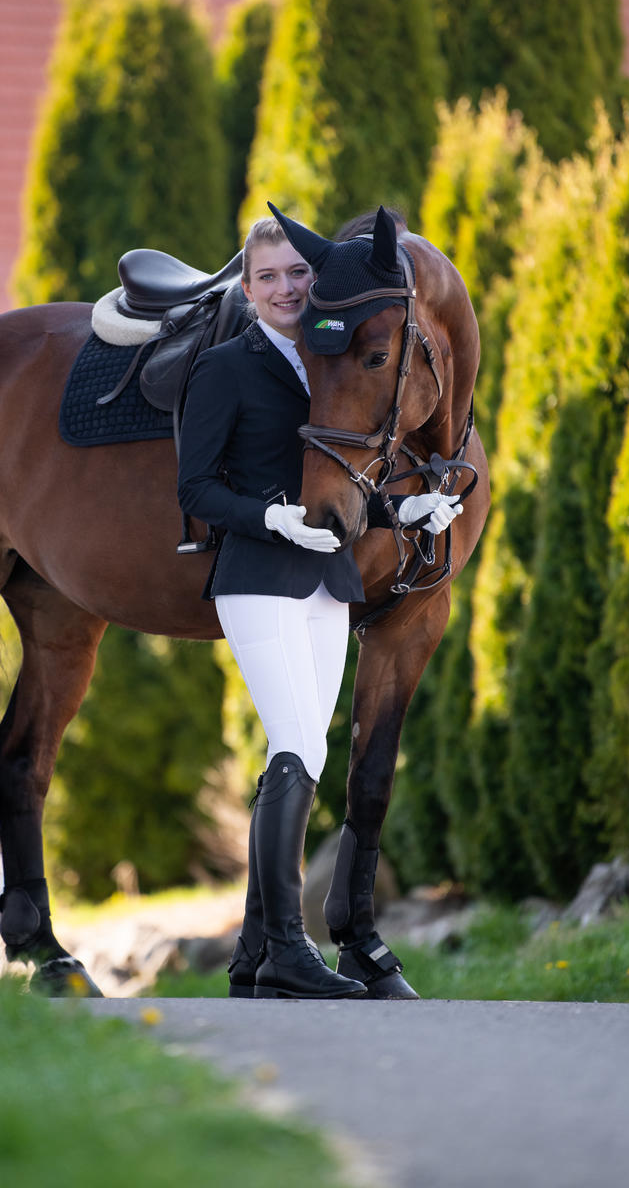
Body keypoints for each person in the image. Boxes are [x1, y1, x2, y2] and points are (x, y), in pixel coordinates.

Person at [177, 213, 461, 999]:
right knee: (296, 747)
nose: (284, 289)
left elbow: (338, 485)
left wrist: (402, 513)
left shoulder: (324, 360)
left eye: (295, 277)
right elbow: (194, 489)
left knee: (301, 753)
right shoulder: (225, 367)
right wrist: (265, 517)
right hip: (257, 579)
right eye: (267, 278)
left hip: (326, 583)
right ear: (246, 289)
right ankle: (285, 949)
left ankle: (253, 962)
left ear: (315, 285)